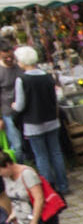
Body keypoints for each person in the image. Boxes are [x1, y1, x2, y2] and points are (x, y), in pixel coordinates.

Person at [11, 47, 67, 195]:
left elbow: (20, 104)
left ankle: (49, 188)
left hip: (33, 124)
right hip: (51, 120)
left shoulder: (22, 80)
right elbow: (56, 98)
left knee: (41, 156)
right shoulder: (47, 77)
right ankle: (63, 185)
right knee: (56, 153)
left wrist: (13, 107)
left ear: (22, 61)